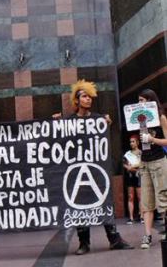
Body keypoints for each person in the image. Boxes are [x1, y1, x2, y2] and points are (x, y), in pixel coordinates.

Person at [52, 80, 133, 254]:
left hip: (97, 171)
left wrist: (107, 125)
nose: (88, 99)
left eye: (90, 96)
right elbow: (63, 144)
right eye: (84, 96)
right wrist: (57, 126)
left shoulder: (98, 119)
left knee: (104, 202)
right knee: (80, 206)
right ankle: (84, 243)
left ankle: (114, 238)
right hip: (78, 172)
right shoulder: (70, 122)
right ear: (77, 100)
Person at [136, 89, 167, 249]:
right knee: (146, 201)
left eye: (142, 100)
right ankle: (147, 235)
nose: (140, 103)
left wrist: (152, 139)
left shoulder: (161, 117)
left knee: (163, 197)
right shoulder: (139, 119)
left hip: (159, 161)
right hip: (145, 162)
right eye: (139, 101)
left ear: (150, 100)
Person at [123, 135, 142, 225]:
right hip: (130, 177)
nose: (131, 143)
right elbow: (124, 164)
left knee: (140, 197)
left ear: (137, 142)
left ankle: (142, 216)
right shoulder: (127, 154)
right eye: (130, 142)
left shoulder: (141, 153)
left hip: (139, 177)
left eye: (133, 141)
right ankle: (131, 218)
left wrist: (132, 168)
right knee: (130, 197)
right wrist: (129, 168)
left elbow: (141, 165)